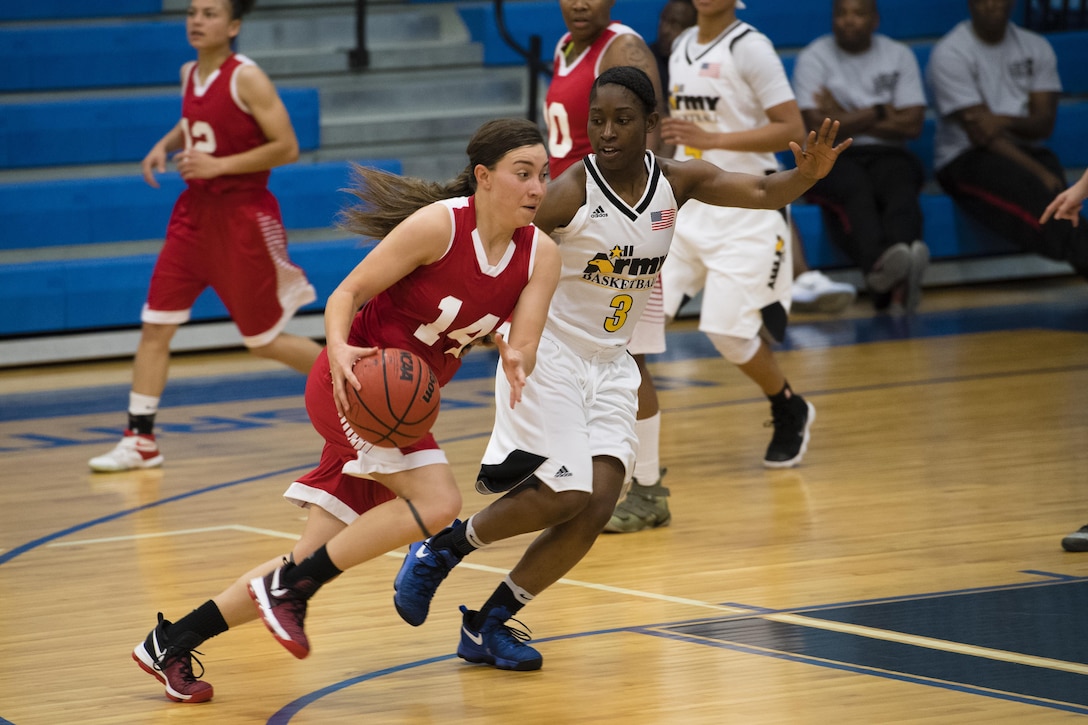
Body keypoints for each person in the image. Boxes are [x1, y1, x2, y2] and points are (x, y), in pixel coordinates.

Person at [390, 66, 851, 670]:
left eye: (622, 120)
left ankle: (487, 624)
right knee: (564, 493)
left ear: (652, 126)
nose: (606, 132)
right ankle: (442, 549)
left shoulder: (676, 181)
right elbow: (495, 242)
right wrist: (482, 329)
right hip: (548, 353)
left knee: (599, 503)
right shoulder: (571, 192)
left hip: (612, 363)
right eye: (597, 121)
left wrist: (807, 175)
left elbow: (764, 193)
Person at [130, 117, 561, 702]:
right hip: (353, 387)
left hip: (400, 410)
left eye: (544, 175)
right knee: (439, 502)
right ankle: (295, 592)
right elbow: (347, 293)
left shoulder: (541, 255)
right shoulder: (440, 225)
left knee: (309, 554)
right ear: (484, 177)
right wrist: (336, 347)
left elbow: (526, 338)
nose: (538, 187)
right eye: (524, 173)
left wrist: (517, 356)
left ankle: (171, 642)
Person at [88, 0, 322, 473]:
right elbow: (196, 121)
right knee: (156, 325)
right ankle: (141, 439)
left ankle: (363, 392)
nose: (197, 20)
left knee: (263, 340)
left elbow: (288, 147)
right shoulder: (188, 72)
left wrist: (218, 165)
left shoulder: (247, 77)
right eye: (193, 11)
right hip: (192, 217)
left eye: (210, 13)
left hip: (242, 219)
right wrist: (167, 142)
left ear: (234, 26)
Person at [658, 0, 818, 470]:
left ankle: (788, 404)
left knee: (728, 332)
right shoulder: (683, 44)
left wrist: (715, 142)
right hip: (691, 207)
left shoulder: (753, 48)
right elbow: (683, 134)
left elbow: (793, 129)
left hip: (749, 206)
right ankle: (626, 443)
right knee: (635, 326)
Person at [543, 0, 673, 531]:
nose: (578, 2)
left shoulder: (623, 47)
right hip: (574, 228)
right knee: (572, 359)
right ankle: (572, 480)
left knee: (630, 360)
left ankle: (647, 488)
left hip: (619, 229)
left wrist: (642, 219)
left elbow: (651, 138)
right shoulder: (566, 47)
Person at [926, 0, 1088, 279]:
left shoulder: (1035, 46)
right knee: (1045, 204)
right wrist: (1037, 171)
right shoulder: (950, 52)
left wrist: (999, 119)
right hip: (966, 158)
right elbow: (981, 135)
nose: (990, 5)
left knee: (1058, 203)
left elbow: (1043, 124)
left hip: (1028, 151)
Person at [793, 0, 930, 312]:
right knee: (855, 188)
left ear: (875, 19)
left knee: (900, 185)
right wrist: (880, 110)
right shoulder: (815, 57)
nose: (848, 21)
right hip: (830, 155)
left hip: (888, 153)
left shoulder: (898, 55)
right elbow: (818, 125)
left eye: (857, 13)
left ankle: (904, 262)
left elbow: (912, 125)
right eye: (841, 14)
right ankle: (881, 269)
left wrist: (842, 115)